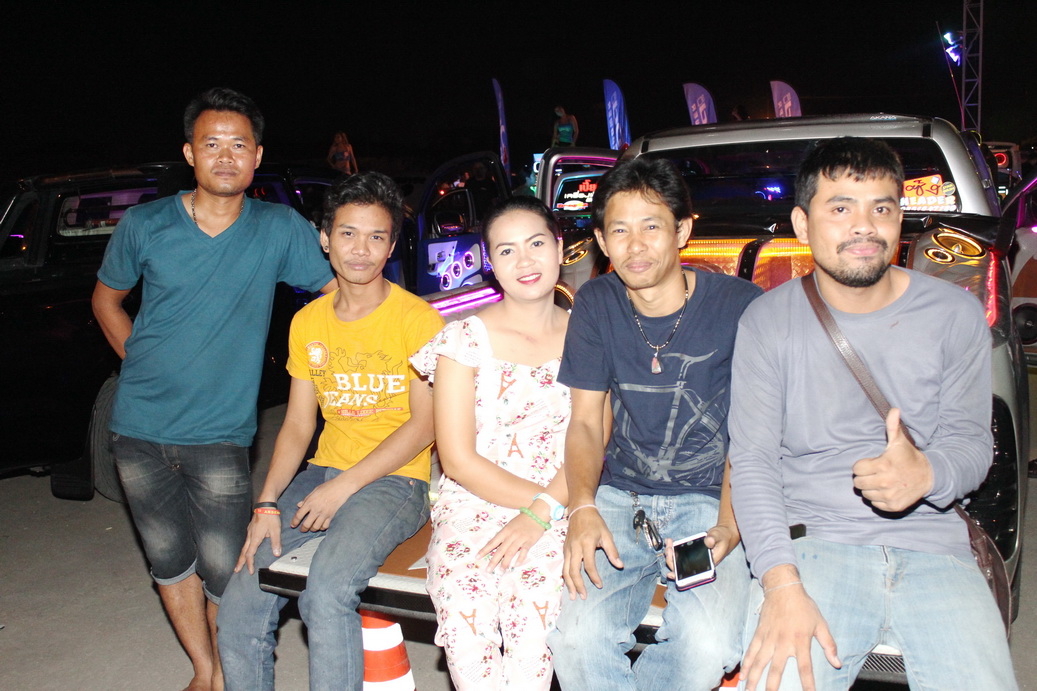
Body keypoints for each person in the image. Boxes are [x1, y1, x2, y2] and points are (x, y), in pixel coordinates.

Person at [729, 137, 1017, 690]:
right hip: (812, 542)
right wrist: (780, 583)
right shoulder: (767, 322)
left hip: (934, 544)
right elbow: (754, 463)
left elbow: (971, 444)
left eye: (881, 208)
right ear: (803, 224)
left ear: (899, 219)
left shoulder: (955, 314)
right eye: (841, 208)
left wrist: (928, 474)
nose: (864, 226)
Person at [92, 87, 335, 691]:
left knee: (230, 570)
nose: (225, 156)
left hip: (221, 434)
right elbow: (106, 301)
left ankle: (228, 669)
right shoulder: (145, 223)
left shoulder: (278, 228)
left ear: (257, 156)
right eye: (211, 144)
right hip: (137, 429)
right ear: (189, 153)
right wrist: (140, 360)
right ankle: (205, 670)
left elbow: (336, 297)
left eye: (238, 145)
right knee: (168, 562)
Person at [217, 172, 444, 690]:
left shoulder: (417, 320)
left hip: (396, 482)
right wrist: (266, 503)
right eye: (347, 233)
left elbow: (425, 424)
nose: (360, 249)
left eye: (376, 236)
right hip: (322, 472)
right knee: (242, 599)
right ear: (324, 238)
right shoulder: (308, 322)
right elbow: (298, 423)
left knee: (327, 593)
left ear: (391, 245)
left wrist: (343, 487)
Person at [548, 157, 761, 690]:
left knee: (706, 645)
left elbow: (753, 436)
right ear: (601, 240)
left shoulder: (741, 307)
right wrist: (582, 506)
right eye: (619, 230)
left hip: (709, 503)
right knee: (575, 640)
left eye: (651, 226)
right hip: (621, 498)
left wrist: (730, 525)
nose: (635, 245)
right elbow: (586, 423)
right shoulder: (596, 302)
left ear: (683, 230)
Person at [411, 196, 571, 689]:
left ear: (559, 247)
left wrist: (545, 512)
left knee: (533, 635)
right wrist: (537, 505)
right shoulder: (463, 339)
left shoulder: (589, 337)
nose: (524, 261)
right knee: (467, 629)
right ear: (489, 263)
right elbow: (457, 459)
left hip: (561, 502)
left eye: (536, 243)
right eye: (506, 250)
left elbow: (594, 443)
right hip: (474, 503)